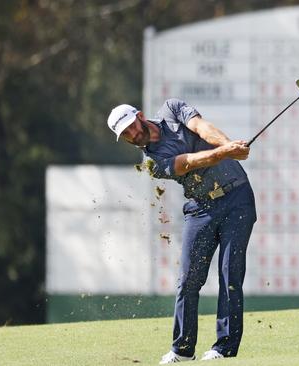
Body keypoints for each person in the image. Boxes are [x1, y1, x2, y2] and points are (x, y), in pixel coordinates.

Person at [106, 99, 256, 364]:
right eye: (125, 134)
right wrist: (225, 152)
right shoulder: (152, 162)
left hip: (237, 197)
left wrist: (226, 144)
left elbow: (201, 127)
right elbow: (189, 162)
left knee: (230, 273)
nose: (131, 134)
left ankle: (224, 347)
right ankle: (183, 349)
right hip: (201, 208)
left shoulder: (171, 109)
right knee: (188, 279)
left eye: (130, 127)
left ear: (140, 116)